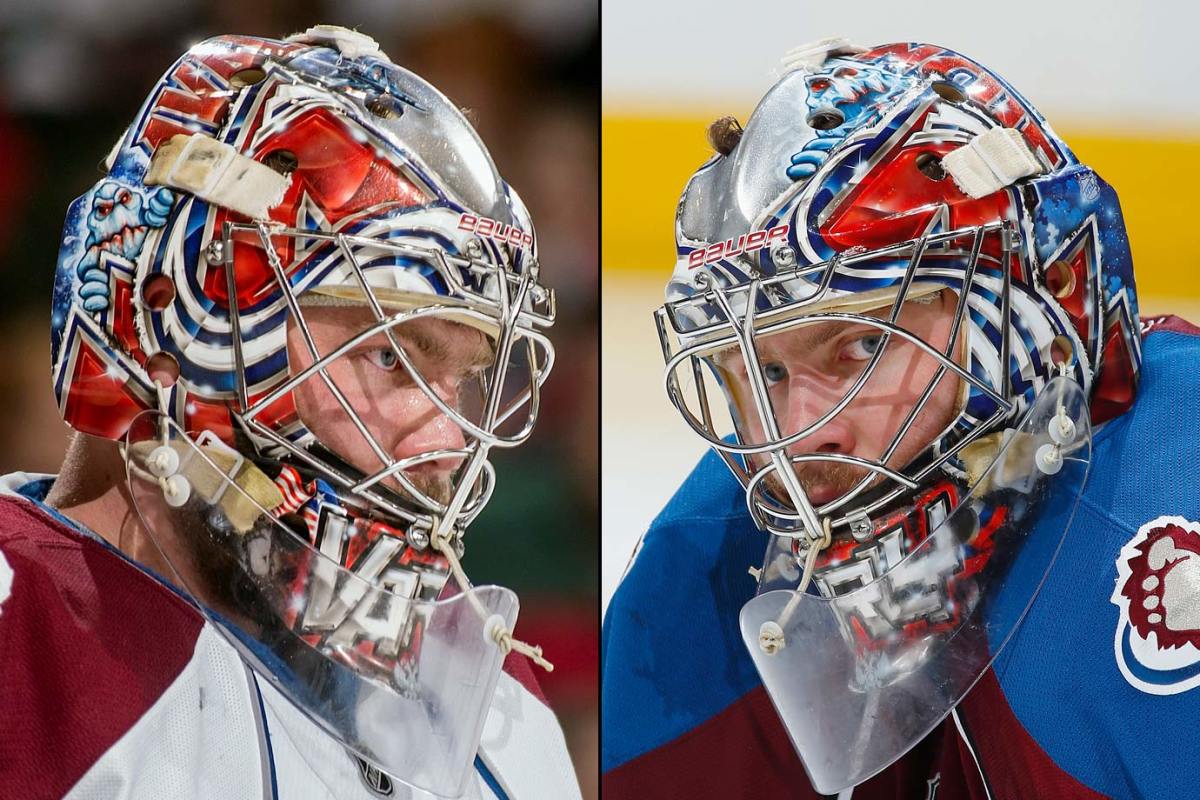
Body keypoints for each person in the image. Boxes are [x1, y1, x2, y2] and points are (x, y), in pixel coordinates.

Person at [602, 38, 1200, 799]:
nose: (803, 435)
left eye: (859, 345)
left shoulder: (1160, 544)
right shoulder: (705, 583)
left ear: (1034, 306)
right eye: (767, 371)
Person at [0, 26, 581, 800]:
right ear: (177, 315)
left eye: (467, 378)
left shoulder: (500, 713)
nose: (448, 442)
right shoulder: (19, 641)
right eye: (392, 356)